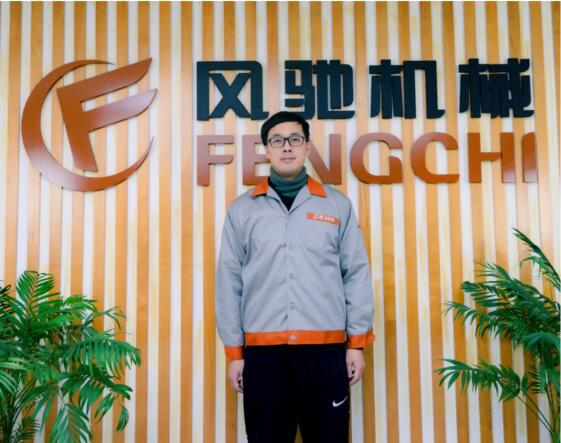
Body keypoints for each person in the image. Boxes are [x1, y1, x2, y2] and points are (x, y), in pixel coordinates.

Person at [215, 111, 374, 443]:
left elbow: (356, 274)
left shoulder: (337, 205)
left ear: (306, 147)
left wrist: (356, 345)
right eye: (277, 140)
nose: (286, 146)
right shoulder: (242, 210)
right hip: (263, 356)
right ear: (266, 150)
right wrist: (235, 354)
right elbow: (229, 282)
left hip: (325, 354)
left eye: (294, 139)